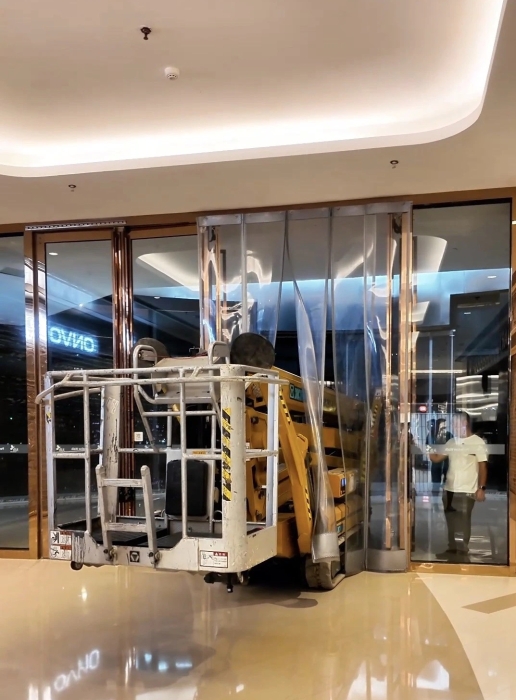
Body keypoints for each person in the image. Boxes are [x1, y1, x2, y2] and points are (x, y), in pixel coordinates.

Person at [428, 412, 488, 558]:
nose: (453, 426)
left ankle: (462, 550)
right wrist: (428, 446)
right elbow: (436, 458)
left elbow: (483, 467)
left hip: (467, 490)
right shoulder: (451, 442)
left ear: (464, 423)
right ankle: (452, 548)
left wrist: (481, 488)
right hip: (449, 489)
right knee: (451, 521)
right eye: (452, 423)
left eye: (455, 423)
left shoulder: (477, 442)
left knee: (463, 521)